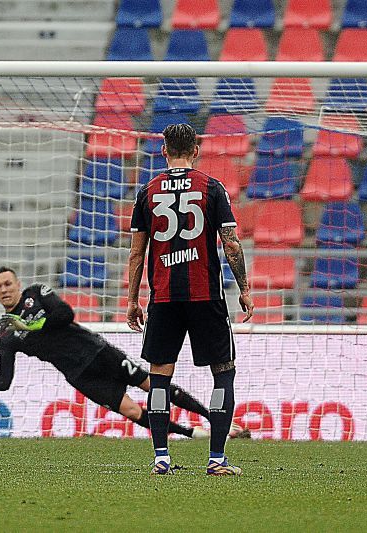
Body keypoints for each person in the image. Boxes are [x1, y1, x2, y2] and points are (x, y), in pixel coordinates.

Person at [0, 267, 248, 441]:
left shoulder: (36, 294)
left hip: (97, 351)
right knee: (132, 412)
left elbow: (65, 315)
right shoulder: (5, 335)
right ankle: (193, 434)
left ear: (18, 284)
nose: (4, 289)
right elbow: (5, 382)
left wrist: (31, 326)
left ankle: (217, 420)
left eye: (7, 283)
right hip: (79, 374)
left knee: (154, 387)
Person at [126, 123, 253, 476]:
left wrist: (132, 299)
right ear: (195, 150)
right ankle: (216, 459)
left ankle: (161, 458)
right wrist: (243, 288)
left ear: (164, 151)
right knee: (223, 373)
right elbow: (230, 243)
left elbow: (137, 254)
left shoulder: (147, 191)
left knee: (160, 378)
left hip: (163, 297)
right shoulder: (212, 188)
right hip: (205, 296)